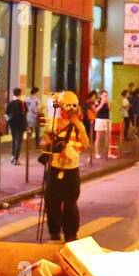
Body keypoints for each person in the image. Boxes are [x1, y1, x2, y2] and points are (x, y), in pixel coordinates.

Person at [40, 90, 89, 242]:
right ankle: (54, 231)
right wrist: (49, 144)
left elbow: (85, 145)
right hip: (54, 168)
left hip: (71, 170)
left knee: (70, 203)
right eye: (63, 107)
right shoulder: (53, 123)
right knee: (51, 201)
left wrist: (79, 126)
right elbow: (43, 143)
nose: (66, 111)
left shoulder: (78, 125)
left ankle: (71, 233)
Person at [5, 88, 28, 165]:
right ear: (20, 94)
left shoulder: (10, 103)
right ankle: (16, 159)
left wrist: (8, 122)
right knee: (19, 141)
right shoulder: (22, 103)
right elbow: (24, 115)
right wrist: (26, 126)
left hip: (12, 124)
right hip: (20, 124)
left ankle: (12, 156)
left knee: (14, 140)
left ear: (13, 93)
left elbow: (6, 114)